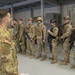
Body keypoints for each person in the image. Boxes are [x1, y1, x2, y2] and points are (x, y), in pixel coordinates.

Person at [0, 9, 19, 75]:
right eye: (9, 17)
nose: (11, 19)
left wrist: (15, 61)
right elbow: (5, 59)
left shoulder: (7, 32)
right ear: (5, 20)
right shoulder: (2, 35)